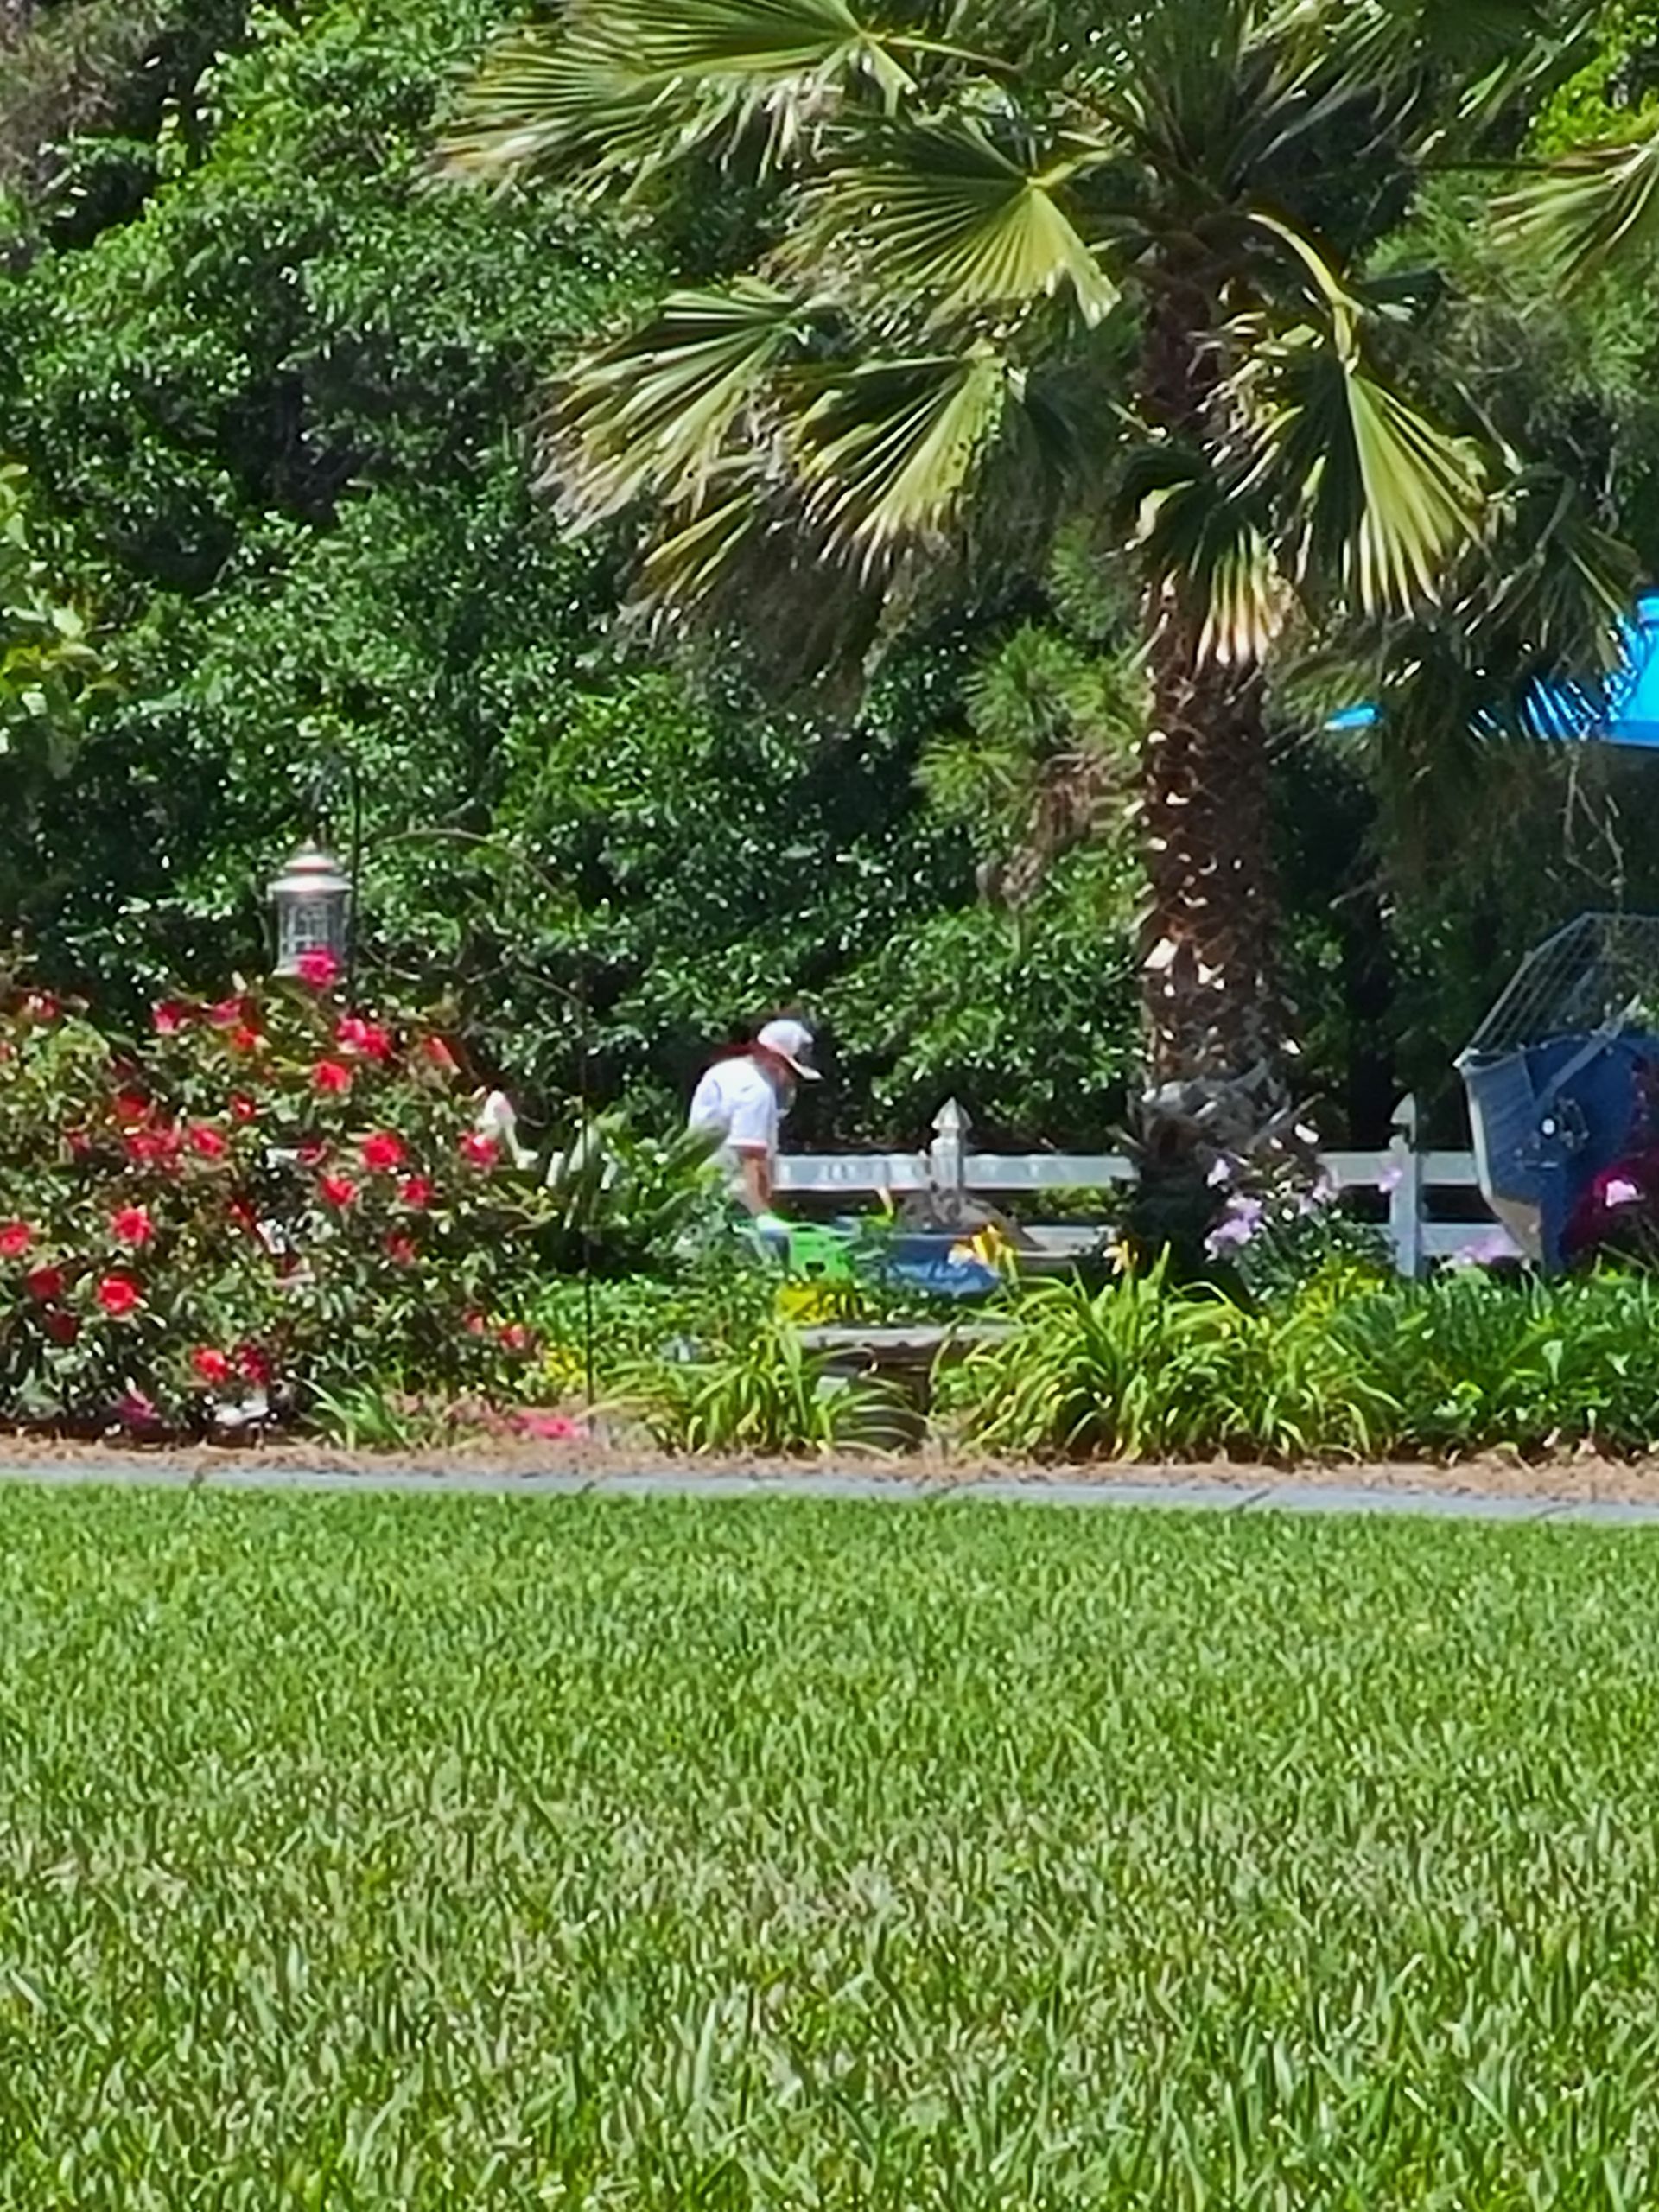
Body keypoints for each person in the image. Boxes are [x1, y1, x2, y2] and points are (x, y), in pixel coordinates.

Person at [687, 1016, 820, 1225]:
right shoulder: (756, 1089)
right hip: (732, 1199)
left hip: (700, 1190)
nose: (790, 1080)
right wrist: (761, 1213)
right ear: (772, 1056)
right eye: (789, 1070)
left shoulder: (726, 1072)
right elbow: (752, 1158)